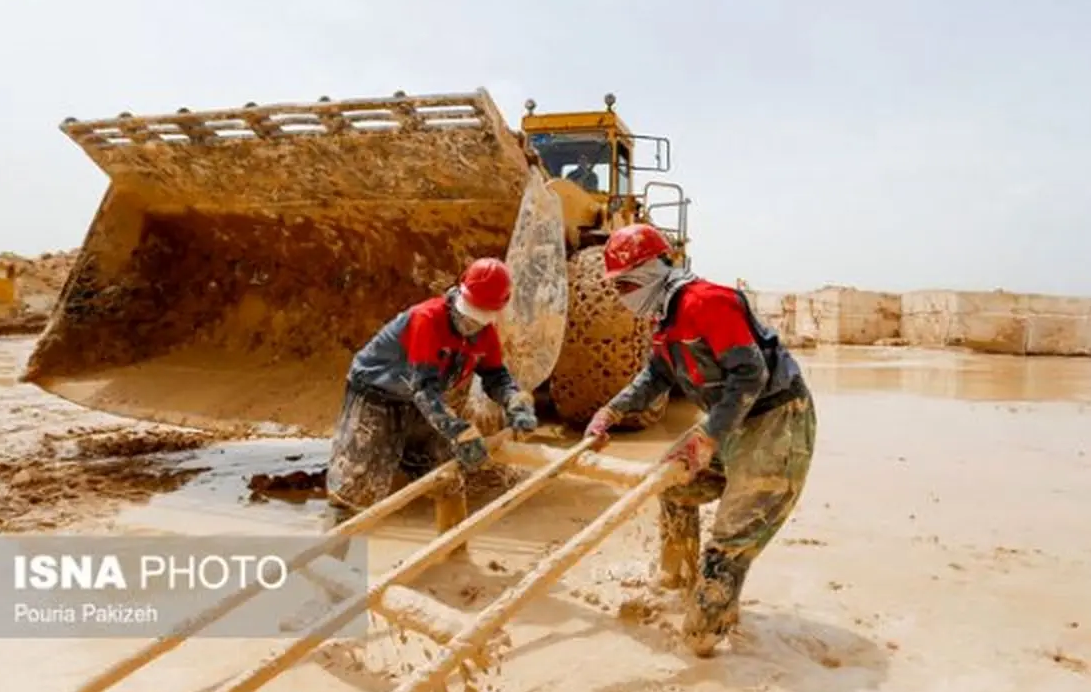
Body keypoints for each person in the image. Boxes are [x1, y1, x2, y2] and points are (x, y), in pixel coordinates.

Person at [583, 224, 817, 658]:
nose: (622, 296)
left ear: (654, 270)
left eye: (628, 284)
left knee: (729, 547)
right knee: (673, 484)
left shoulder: (706, 303)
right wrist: (611, 411)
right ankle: (677, 583)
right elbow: (656, 375)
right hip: (730, 422)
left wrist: (707, 437)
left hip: (774, 422)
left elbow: (751, 375)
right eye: (618, 287)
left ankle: (704, 636)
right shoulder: (664, 319)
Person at [326, 256, 538, 519]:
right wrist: (458, 431)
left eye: (481, 317)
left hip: (421, 398)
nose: (471, 323)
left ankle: (455, 554)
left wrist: (514, 400)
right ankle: (334, 553)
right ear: (460, 291)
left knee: (446, 476)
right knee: (354, 487)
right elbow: (423, 388)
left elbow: (495, 375)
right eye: (469, 312)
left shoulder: (486, 334)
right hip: (376, 392)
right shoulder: (426, 319)